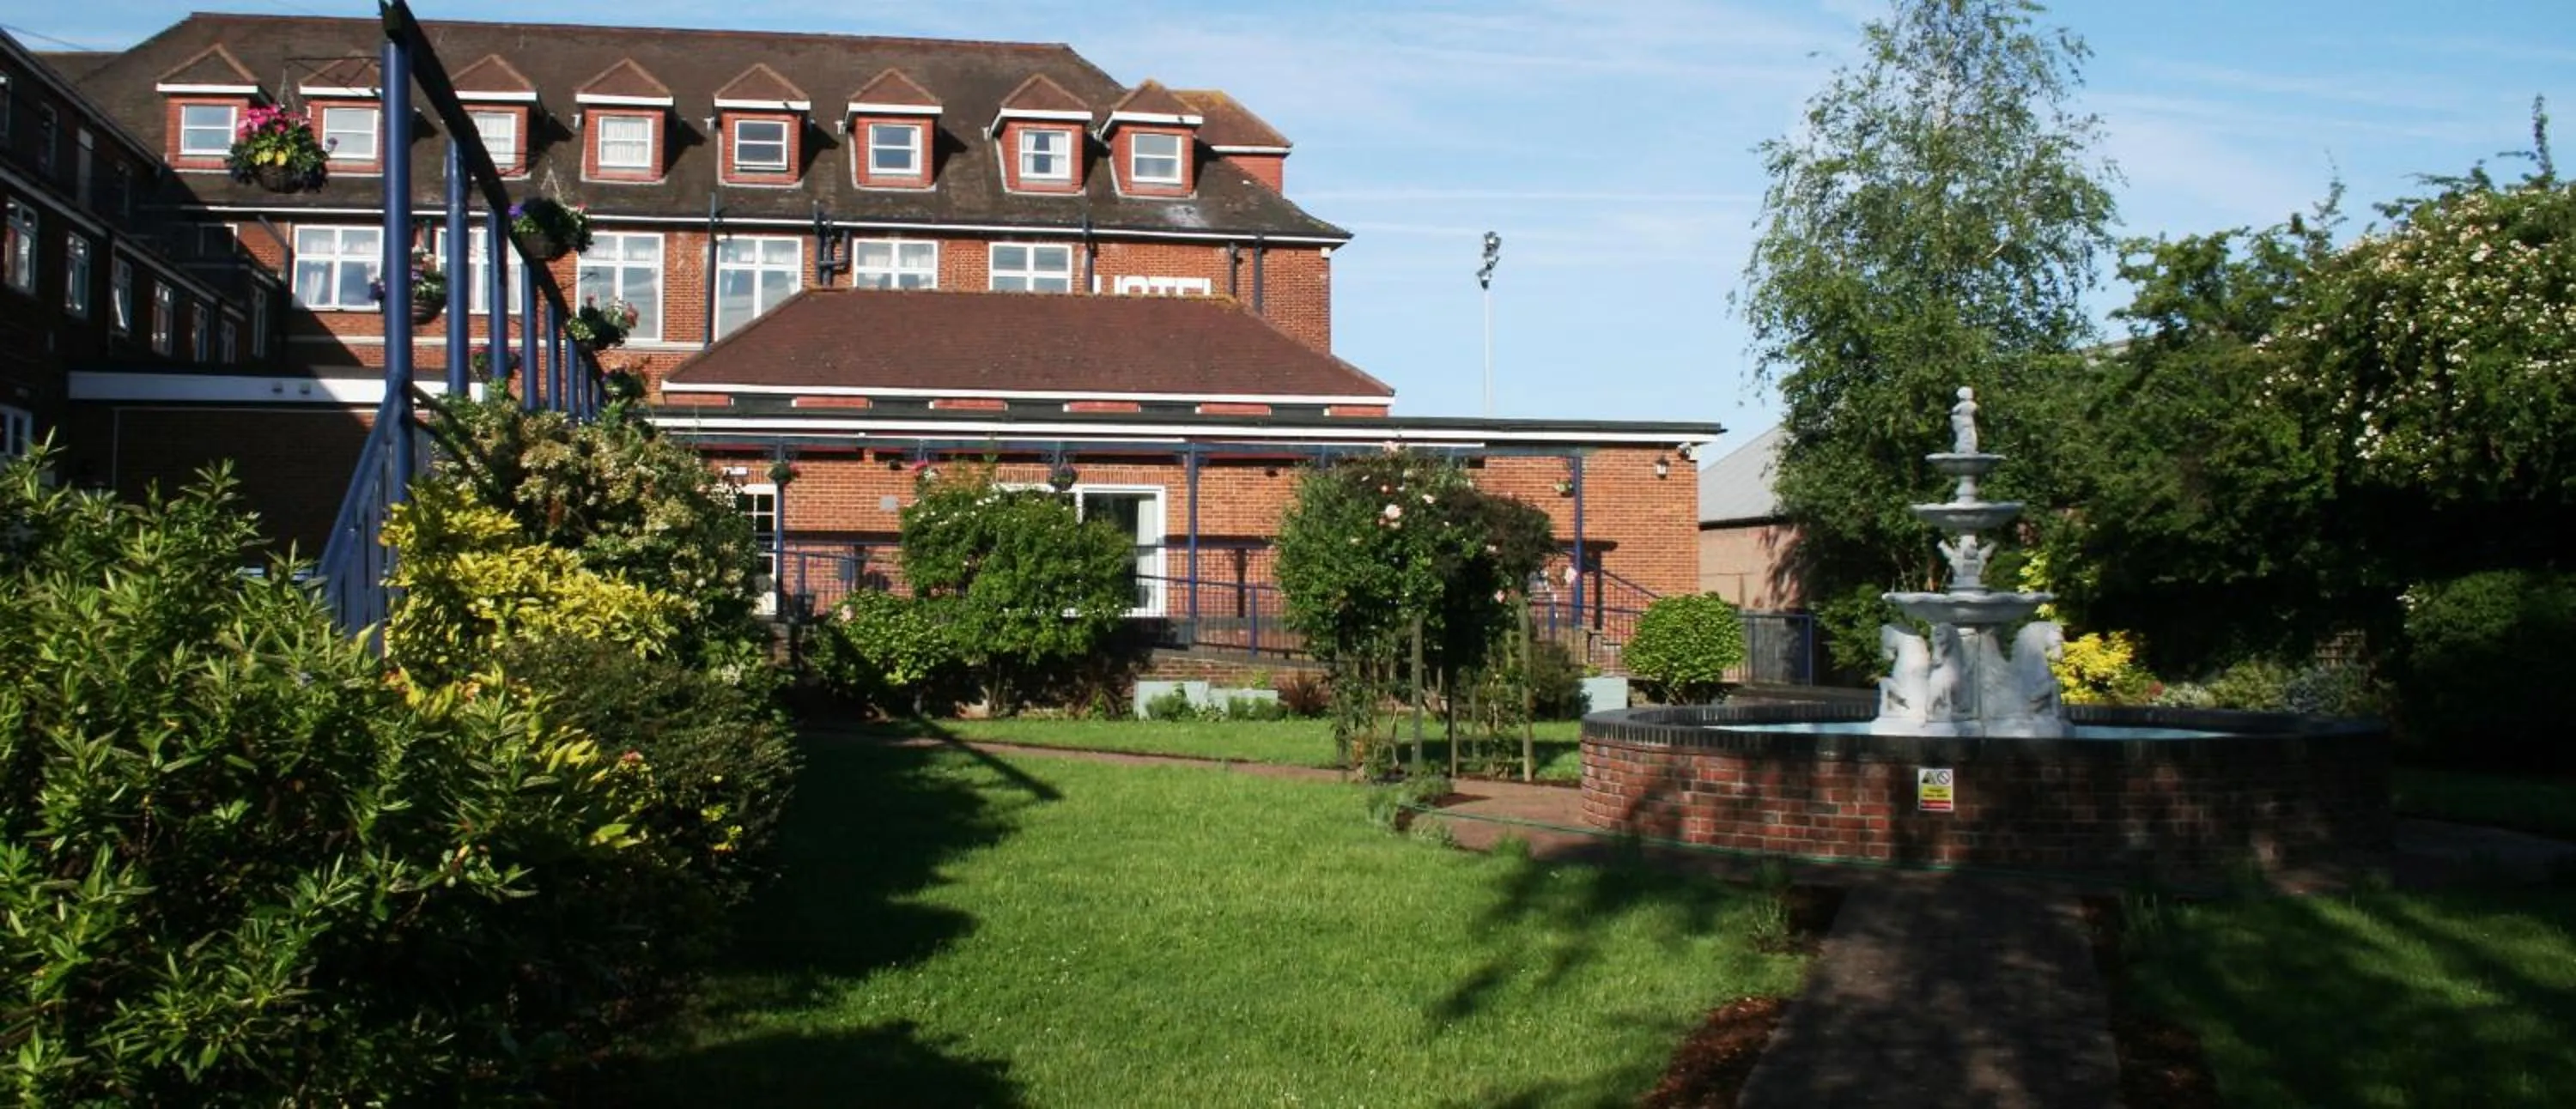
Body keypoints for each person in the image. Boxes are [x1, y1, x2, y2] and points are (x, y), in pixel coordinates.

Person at [1949, 385, 1979, 454]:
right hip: (1967, 423)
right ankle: (1967, 448)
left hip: (1964, 423)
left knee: (1965, 436)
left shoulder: (1964, 405)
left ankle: (1965, 449)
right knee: (1967, 435)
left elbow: (1954, 410)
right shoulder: (1972, 405)